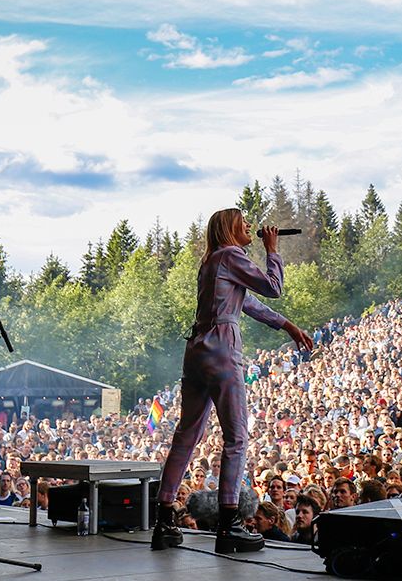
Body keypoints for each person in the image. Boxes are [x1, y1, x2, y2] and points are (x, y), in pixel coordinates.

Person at [151, 212, 312, 555]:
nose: (249, 226)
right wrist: (272, 250)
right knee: (236, 438)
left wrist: (287, 326)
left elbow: (248, 303)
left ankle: (163, 521)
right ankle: (229, 525)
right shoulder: (230, 254)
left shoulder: (211, 261)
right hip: (222, 350)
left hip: (196, 350)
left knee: (186, 435)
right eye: (243, 222)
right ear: (228, 229)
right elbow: (272, 288)